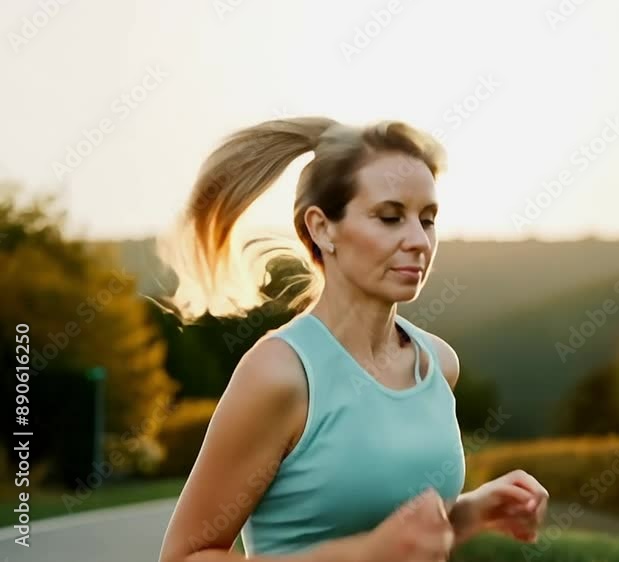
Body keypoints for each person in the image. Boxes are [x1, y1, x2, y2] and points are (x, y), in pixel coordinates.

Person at [156, 117, 549, 561]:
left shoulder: (437, 364)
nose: (419, 241)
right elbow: (184, 557)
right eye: (390, 217)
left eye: (427, 219)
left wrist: (469, 514)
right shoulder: (281, 375)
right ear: (322, 228)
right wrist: (362, 555)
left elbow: (395, 536)